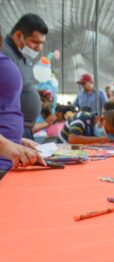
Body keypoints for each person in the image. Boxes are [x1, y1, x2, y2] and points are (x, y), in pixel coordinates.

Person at [0, 26, 45, 178]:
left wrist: (14, 140)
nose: (38, 48)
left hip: (9, 162)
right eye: (34, 42)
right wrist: (5, 145)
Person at [2, 14, 48, 140]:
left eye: (42, 43)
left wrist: (37, 96)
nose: (38, 48)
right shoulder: (5, 55)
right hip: (6, 135)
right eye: (34, 42)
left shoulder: (24, 57)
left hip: (22, 131)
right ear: (18, 35)